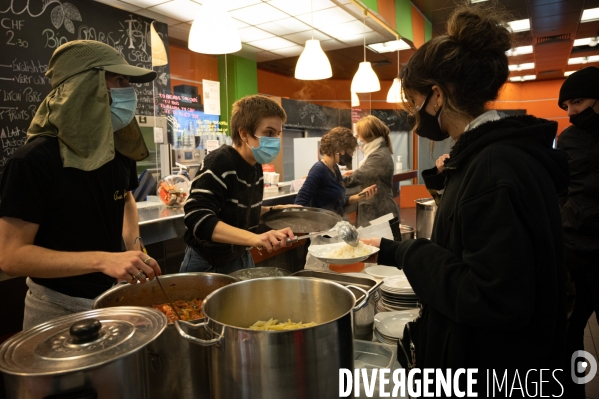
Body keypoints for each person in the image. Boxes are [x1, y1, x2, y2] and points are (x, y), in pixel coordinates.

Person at [361, 4, 569, 393]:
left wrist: (409, 254)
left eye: (414, 101)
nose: (413, 113)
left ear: (436, 96)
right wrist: (391, 250)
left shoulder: (493, 169)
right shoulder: (496, 157)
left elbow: (492, 297)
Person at [0, 40, 162, 330]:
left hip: (112, 298)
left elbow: (124, 199)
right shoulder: (32, 161)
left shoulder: (118, 150)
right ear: (86, 87)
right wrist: (102, 260)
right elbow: (11, 256)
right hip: (56, 309)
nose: (129, 90)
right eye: (119, 79)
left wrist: (134, 245)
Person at [180, 95, 295, 274]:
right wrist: (255, 238)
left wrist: (274, 212)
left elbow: (237, 211)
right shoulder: (220, 162)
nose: (275, 140)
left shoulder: (255, 165)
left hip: (238, 256)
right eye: (269, 133)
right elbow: (197, 218)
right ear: (244, 134)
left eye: (278, 134)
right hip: (208, 264)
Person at [557, 66, 599, 399]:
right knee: (569, 335)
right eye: (567, 105)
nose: (571, 112)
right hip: (574, 252)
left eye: (578, 101)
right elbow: (560, 191)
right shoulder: (569, 139)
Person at [294, 127, 376, 216]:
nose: (351, 155)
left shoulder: (335, 168)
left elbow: (339, 200)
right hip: (323, 226)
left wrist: (360, 196)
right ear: (340, 149)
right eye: (350, 151)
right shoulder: (318, 170)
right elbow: (299, 204)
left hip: (335, 224)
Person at [343, 115, 400, 227]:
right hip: (377, 211)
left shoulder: (379, 156)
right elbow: (368, 173)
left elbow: (353, 180)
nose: (358, 137)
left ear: (368, 135)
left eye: (359, 134)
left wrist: (327, 176)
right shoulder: (380, 151)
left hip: (379, 213)